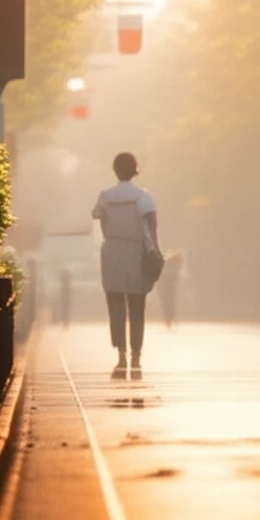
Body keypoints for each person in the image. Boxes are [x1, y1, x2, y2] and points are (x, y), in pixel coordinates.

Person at [91, 152, 160, 376]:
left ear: (115, 170)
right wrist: (154, 250)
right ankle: (136, 354)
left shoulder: (105, 196)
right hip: (136, 252)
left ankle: (120, 352)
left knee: (116, 304)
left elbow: (100, 220)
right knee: (137, 305)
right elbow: (150, 228)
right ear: (134, 169)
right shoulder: (143, 197)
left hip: (112, 251)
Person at [158, 250, 184, 329]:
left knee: (168, 303)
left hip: (168, 288)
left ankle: (169, 319)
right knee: (169, 303)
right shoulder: (168, 266)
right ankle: (169, 319)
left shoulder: (174, 266)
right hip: (166, 288)